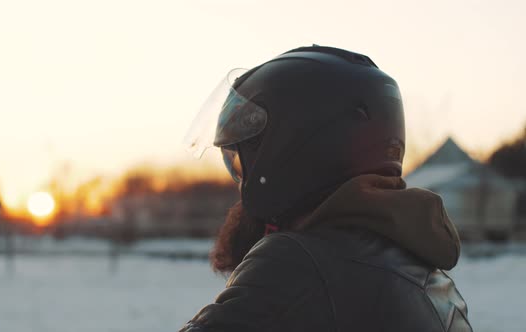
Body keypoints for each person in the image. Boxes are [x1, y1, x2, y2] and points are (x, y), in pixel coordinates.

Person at [181, 45, 472, 332]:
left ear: (292, 149)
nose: (239, 180)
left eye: (240, 163)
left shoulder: (297, 265)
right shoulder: (432, 279)